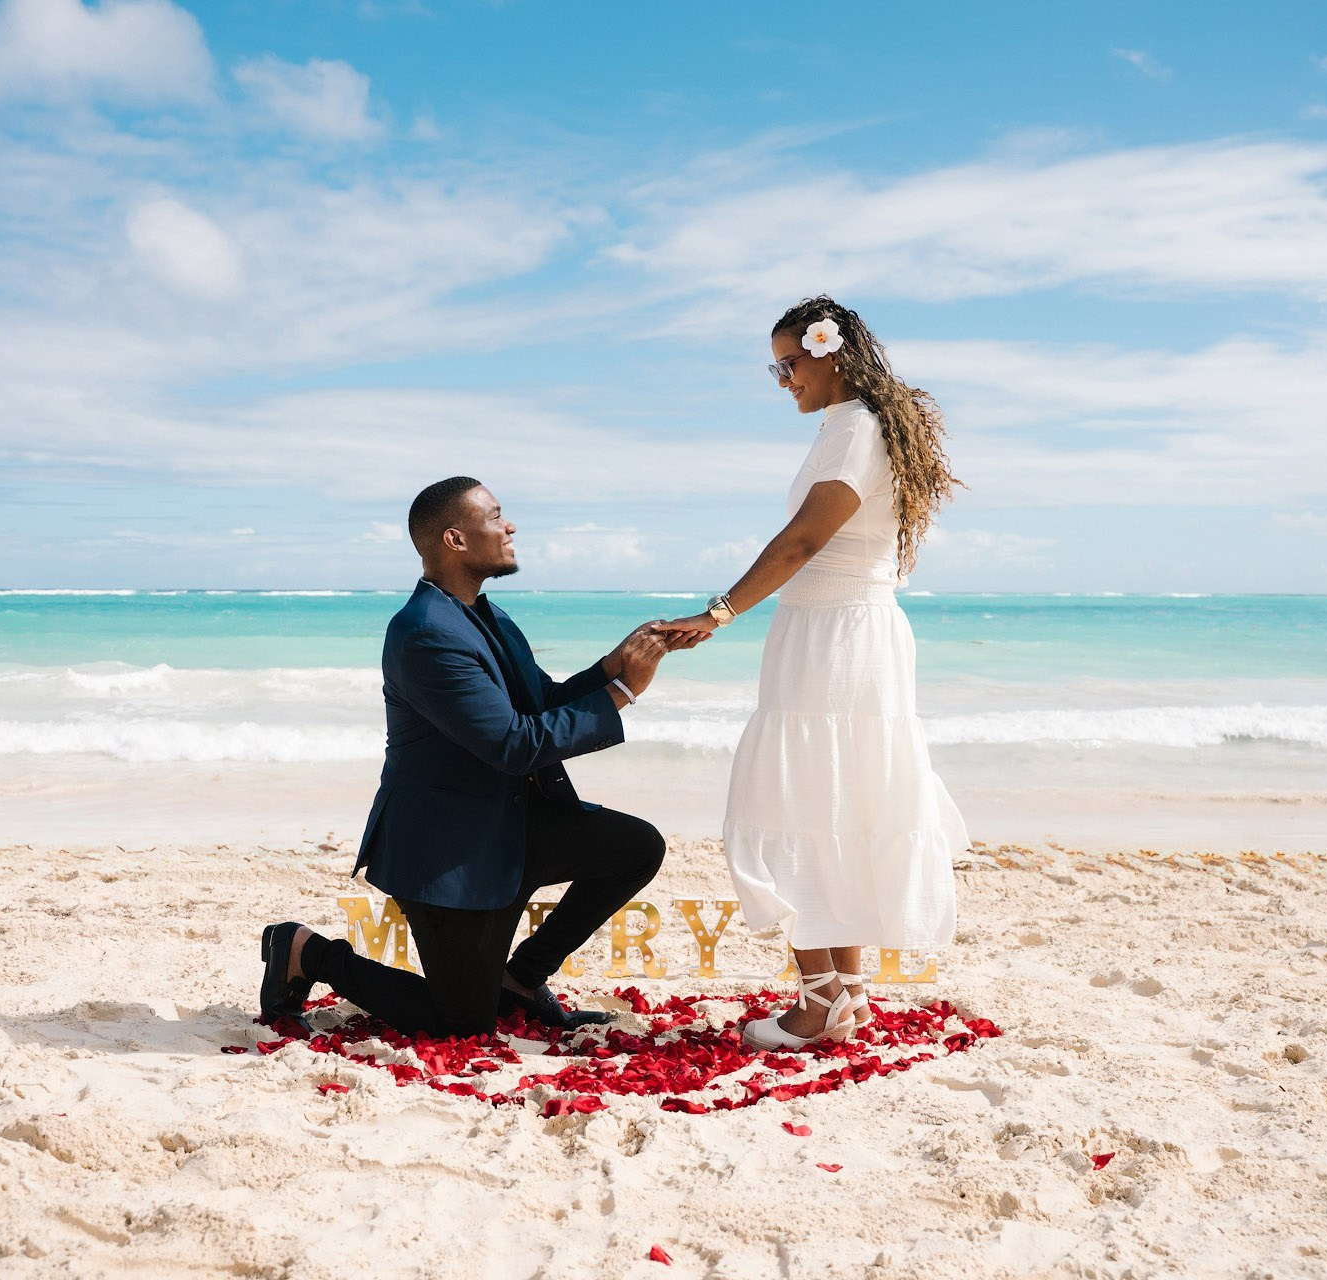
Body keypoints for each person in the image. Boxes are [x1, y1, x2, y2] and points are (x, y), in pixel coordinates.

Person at [257, 477, 702, 1037]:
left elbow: (540, 704)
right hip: (449, 850)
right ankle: (305, 952)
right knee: (461, 1024)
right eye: (495, 516)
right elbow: (514, 745)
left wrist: (621, 660)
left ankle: (522, 979)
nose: (510, 525)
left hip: (509, 823)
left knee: (634, 847)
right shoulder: (424, 632)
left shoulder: (484, 616)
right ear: (455, 539)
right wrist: (624, 693)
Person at [660, 295, 968, 1050]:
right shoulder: (854, 426)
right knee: (836, 801)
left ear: (830, 351)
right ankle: (845, 997)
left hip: (834, 636)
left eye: (789, 363)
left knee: (796, 801)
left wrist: (718, 612)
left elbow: (801, 542)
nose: (782, 379)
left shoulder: (854, 429)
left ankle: (823, 998)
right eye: (777, 366)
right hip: (845, 632)